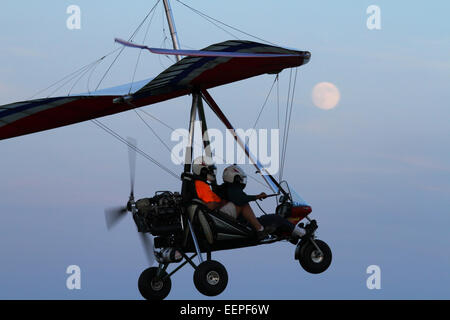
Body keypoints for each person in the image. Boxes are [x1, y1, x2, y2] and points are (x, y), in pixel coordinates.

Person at [221, 165, 312, 242]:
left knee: (271, 220)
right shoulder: (232, 189)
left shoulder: (228, 189)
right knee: (276, 218)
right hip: (243, 225)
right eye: (239, 178)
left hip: (244, 222)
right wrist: (256, 197)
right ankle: (302, 233)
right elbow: (240, 200)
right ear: (235, 178)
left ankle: (291, 232)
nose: (241, 181)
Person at [191, 157, 266, 238]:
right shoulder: (201, 185)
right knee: (242, 204)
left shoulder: (201, 184)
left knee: (239, 202)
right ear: (203, 170)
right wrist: (257, 197)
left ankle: (254, 227)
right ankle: (260, 230)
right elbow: (210, 206)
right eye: (210, 170)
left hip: (215, 216)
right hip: (216, 218)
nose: (212, 173)